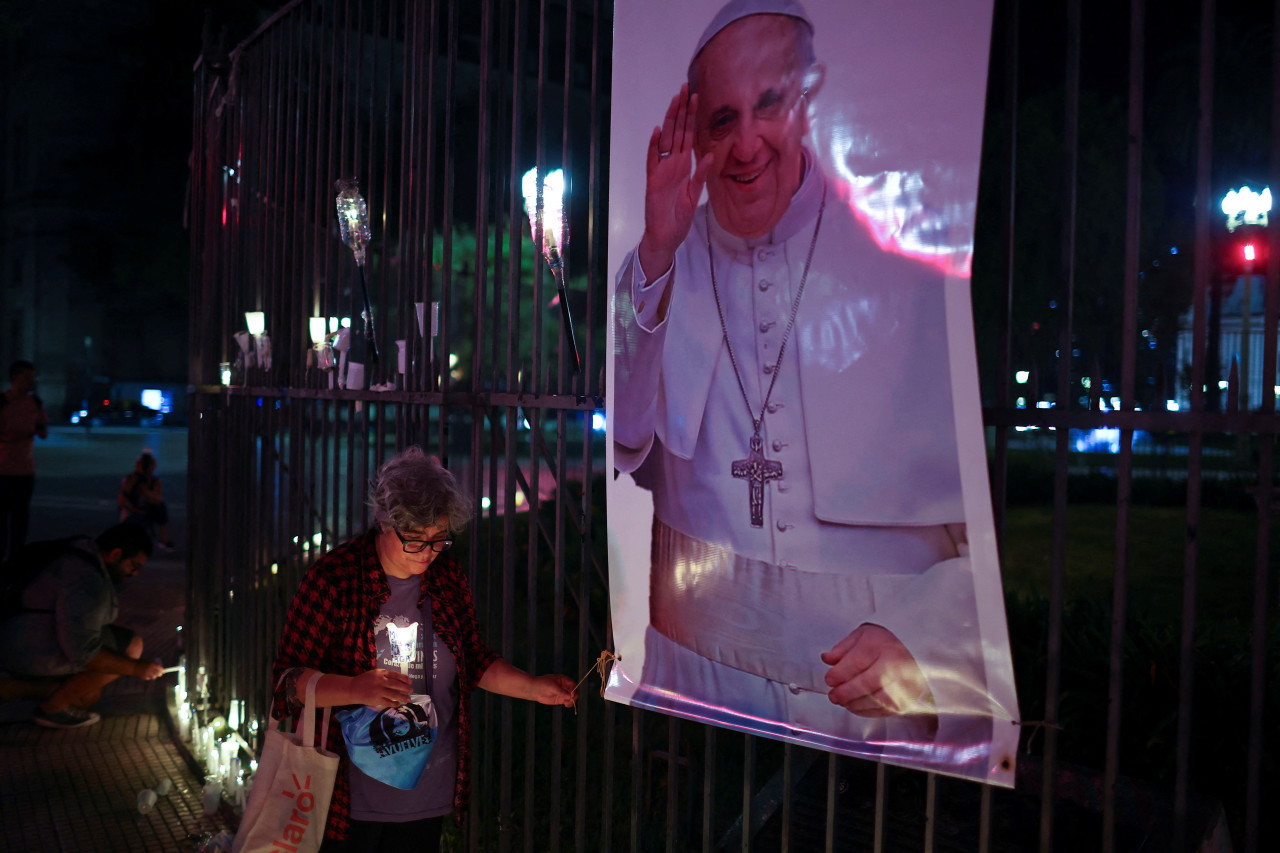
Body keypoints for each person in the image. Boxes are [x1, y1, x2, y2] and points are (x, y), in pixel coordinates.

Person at [613, 0, 992, 770]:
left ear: (809, 100)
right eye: (722, 120)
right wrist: (656, 247)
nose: (746, 143)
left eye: (769, 105)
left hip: (870, 716)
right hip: (700, 701)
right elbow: (625, 439)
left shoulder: (910, 264)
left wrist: (923, 635)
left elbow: (990, 539)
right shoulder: (666, 258)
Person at [271, 446, 577, 852]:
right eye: (415, 540)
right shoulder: (335, 579)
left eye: (439, 540)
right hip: (347, 799)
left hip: (426, 792)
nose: (428, 553)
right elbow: (285, 684)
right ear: (385, 522)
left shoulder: (447, 578)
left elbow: (474, 659)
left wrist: (534, 687)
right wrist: (355, 689)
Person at [0, 522, 164, 728]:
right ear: (115, 555)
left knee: (87, 695)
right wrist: (136, 668)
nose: (135, 574)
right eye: (134, 566)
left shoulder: (81, 552)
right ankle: (52, 709)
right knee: (131, 646)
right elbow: (82, 650)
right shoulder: (87, 581)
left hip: (16, 638)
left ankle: (12, 688)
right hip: (28, 648)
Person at [0, 360, 49, 564]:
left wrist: (36, 429)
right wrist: (12, 436)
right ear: (15, 377)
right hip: (3, 469)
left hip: (25, 471)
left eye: (33, 377)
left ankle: (15, 560)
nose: (32, 381)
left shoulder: (35, 403)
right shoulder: (3, 402)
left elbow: (43, 432)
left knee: (21, 519)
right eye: (28, 377)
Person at [118, 451, 175, 551]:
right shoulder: (129, 480)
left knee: (161, 508)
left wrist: (145, 491)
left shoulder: (155, 481)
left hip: (147, 511)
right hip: (132, 513)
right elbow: (121, 501)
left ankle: (163, 540)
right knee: (137, 523)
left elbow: (158, 500)